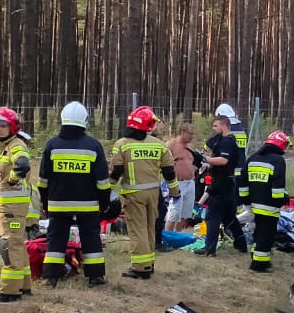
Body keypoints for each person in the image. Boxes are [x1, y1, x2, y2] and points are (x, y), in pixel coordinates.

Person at [37, 101, 110, 287]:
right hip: (88, 205)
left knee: (56, 239)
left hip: (58, 204)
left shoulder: (52, 145)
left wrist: (45, 203)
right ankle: (95, 277)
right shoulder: (93, 146)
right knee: (91, 238)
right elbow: (102, 182)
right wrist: (104, 204)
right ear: (85, 121)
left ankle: (50, 277)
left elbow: (43, 181)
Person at [110, 105, 178, 280]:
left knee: (137, 229)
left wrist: (106, 191)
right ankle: (149, 263)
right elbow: (169, 172)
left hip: (134, 194)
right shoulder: (159, 145)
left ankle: (140, 268)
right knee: (149, 228)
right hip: (154, 193)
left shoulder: (122, 145)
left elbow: (116, 172)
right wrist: (175, 192)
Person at [0, 106, 34, 301]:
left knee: (9, 245)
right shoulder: (6, 145)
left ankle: (9, 290)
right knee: (17, 244)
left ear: (12, 126)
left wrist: (12, 180)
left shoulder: (16, 146)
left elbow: (22, 165)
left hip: (11, 209)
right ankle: (23, 285)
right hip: (8, 208)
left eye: (3, 126)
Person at [196, 108, 247, 256]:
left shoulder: (227, 142)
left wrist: (205, 159)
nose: (213, 128)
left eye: (215, 126)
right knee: (229, 216)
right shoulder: (223, 140)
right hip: (227, 182)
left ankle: (209, 248)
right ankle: (241, 243)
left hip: (222, 183)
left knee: (212, 216)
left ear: (224, 126)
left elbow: (223, 160)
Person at [240, 130, 289, 273]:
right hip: (270, 206)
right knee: (266, 236)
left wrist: (246, 200)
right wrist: (281, 200)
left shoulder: (253, 158)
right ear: (281, 144)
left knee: (259, 232)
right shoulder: (278, 160)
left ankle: (256, 255)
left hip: (254, 204)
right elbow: (278, 185)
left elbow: (243, 180)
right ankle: (259, 265)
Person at [165, 123, 199, 230]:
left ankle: (178, 234)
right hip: (177, 183)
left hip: (190, 182)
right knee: (174, 212)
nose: (192, 137)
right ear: (183, 132)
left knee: (185, 214)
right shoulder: (171, 144)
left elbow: (194, 161)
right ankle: (168, 234)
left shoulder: (190, 147)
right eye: (190, 134)